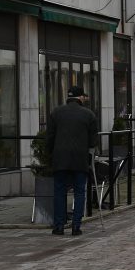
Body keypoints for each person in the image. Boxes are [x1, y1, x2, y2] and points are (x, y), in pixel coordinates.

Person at [46, 86, 98, 236]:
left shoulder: (56, 113)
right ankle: (76, 226)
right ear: (80, 97)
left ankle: (59, 226)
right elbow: (93, 141)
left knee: (59, 191)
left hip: (60, 158)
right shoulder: (89, 114)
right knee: (79, 192)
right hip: (80, 158)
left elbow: (49, 137)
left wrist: (50, 154)